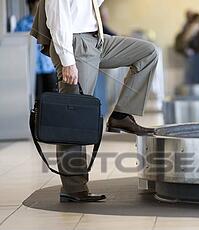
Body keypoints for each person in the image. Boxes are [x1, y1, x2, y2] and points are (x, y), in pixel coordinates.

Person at [31, 0, 159, 203]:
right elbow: (58, 19)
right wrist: (67, 62)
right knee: (74, 119)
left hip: (97, 39)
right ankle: (74, 187)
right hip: (74, 45)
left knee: (147, 52)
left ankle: (121, 115)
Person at [15, 0, 56, 100]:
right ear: (31, 4)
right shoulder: (23, 24)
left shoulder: (49, 21)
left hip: (50, 66)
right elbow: (18, 47)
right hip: (33, 69)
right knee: (37, 99)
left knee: (53, 98)